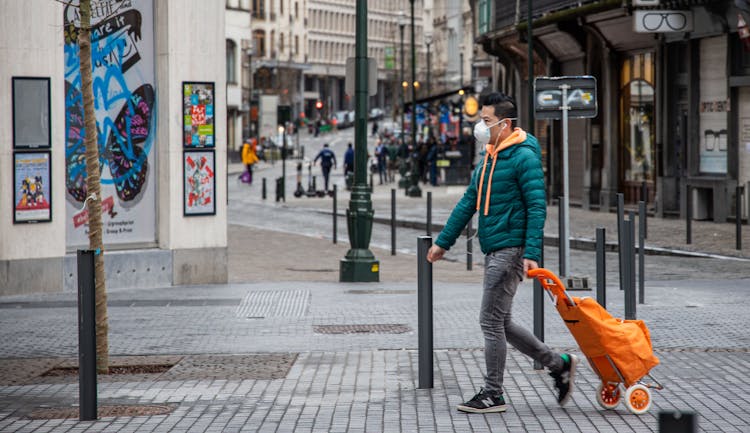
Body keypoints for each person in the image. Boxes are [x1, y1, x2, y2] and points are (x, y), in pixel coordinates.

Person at [427, 92, 578, 414]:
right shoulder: (490, 157)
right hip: (494, 247)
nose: (481, 128)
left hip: (510, 248)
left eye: (486, 122)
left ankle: (493, 393)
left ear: (505, 124)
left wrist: (532, 251)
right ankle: (558, 364)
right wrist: (444, 242)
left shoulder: (524, 156)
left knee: (490, 321)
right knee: (503, 322)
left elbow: (537, 206)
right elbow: (469, 201)